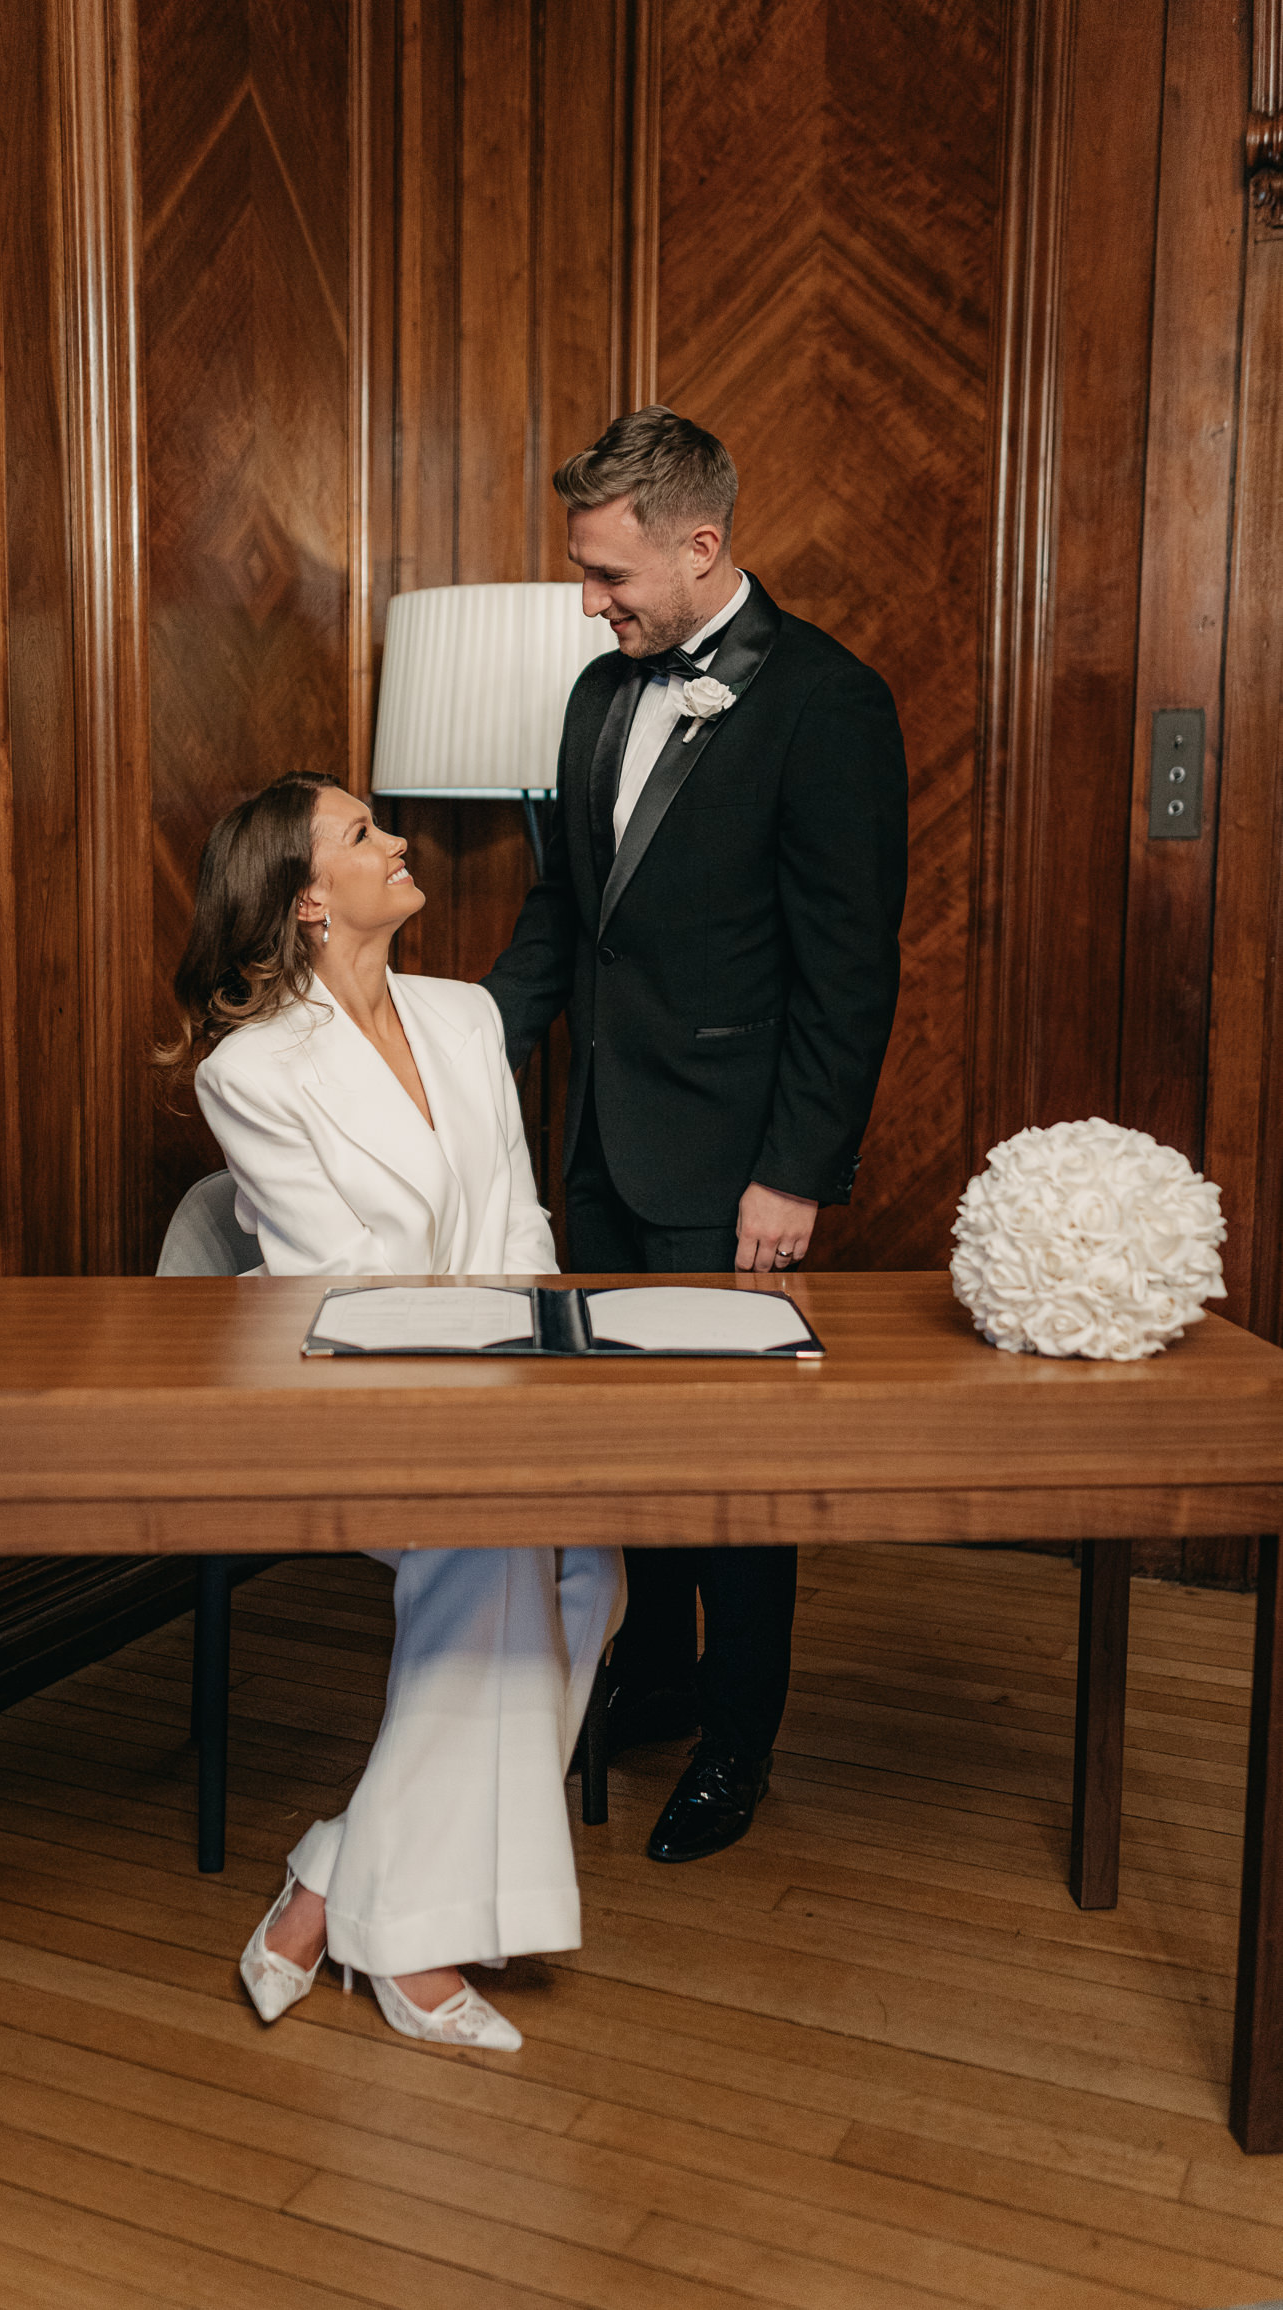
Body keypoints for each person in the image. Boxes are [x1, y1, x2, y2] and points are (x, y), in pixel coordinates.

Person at [484, 406, 907, 1865]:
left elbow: (849, 973)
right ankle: (654, 1673)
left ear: (701, 542)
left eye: (610, 576)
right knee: (623, 1443)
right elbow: (561, 920)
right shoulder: (599, 696)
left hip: (732, 1164)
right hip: (597, 1141)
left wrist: (793, 1172)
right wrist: (453, 1052)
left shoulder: (826, 703)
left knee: (730, 1462)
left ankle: (741, 1733)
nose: (593, 604)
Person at [164, 771, 624, 2051]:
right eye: (363, 834)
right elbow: (338, 1280)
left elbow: (522, 1224)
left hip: (499, 1385)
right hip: (338, 1401)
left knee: (592, 1568)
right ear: (308, 901)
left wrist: (534, 1382)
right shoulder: (252, 1071)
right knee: (494, 1547)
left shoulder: (466, 1017)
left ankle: (333, 1873)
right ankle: (410, 1948)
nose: (397, 840)